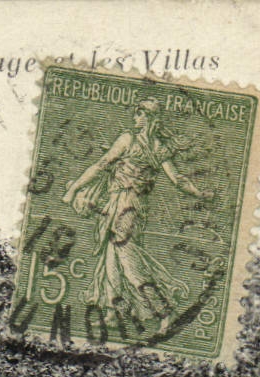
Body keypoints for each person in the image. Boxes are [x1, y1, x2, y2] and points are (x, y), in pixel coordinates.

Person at [61, 97, 211, 335]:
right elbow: (179, 180)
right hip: (129, 207)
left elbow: (101, 165)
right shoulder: (159, 147)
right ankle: (114, 312)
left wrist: (73, 189)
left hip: (126, 207)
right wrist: (200, 193)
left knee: (128, 260)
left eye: (139, 114)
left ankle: (165, 311)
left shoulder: (129, 140)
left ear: (149, 117)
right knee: (111, 259)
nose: (135, 118)